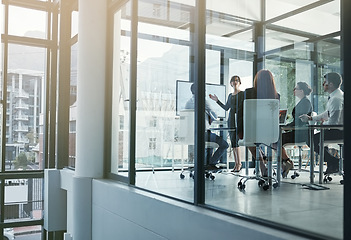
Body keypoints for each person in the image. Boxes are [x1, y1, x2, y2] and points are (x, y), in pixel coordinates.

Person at [237, 69, 280, 176]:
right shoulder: (276, 96)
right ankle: (273, 162)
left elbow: (240, 113)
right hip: (270, 134)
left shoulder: (248, 92)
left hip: (251, 132)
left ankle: (262, 165)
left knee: (250, 138)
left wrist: (240, 131)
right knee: (266, 140)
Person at [300, 72, 344, 174]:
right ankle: (333, 165)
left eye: (325, 82)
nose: (323, 84)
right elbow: (327, 114)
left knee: (311, 139)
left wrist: (321, 124)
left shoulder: (336, 99)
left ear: (331, 84)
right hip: (338, 130)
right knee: (317, 139)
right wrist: (311, 118)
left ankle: (335, 162)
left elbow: (333, 122)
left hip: (338, 131)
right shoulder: (336, 96)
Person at [185, 83, 229, 170]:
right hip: (203, 134)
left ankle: (207, 165)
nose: (205, 91)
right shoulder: (203, 101)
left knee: (210, 137)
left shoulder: (187, 103)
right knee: (225, 144)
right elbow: (215, 115)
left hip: (191, 135)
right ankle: (211, 163)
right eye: (204, 90)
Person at [209, 75, 242, 172]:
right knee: (233, 143)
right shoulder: (230, 96)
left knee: (236, 142)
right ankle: (236, 164)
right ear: (231, 83)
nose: (235, 82)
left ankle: (239, 164)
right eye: (233, 81)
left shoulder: (242, 94)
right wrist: (217, 101)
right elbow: (227, 108)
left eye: (237, 80)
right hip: (231, 119)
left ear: (239, 83)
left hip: (238, 119)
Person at [280, 82, 313, 178]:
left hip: (300, 134)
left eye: (296, 88)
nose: (294, 90)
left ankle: (286, 162)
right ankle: (285, 163)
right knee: (276, 139)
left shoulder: (306, 103)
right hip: (297, 131)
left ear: (301, 91)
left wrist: (287, 127)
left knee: (276, 140)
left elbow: (299, 121)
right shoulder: (303, 102)